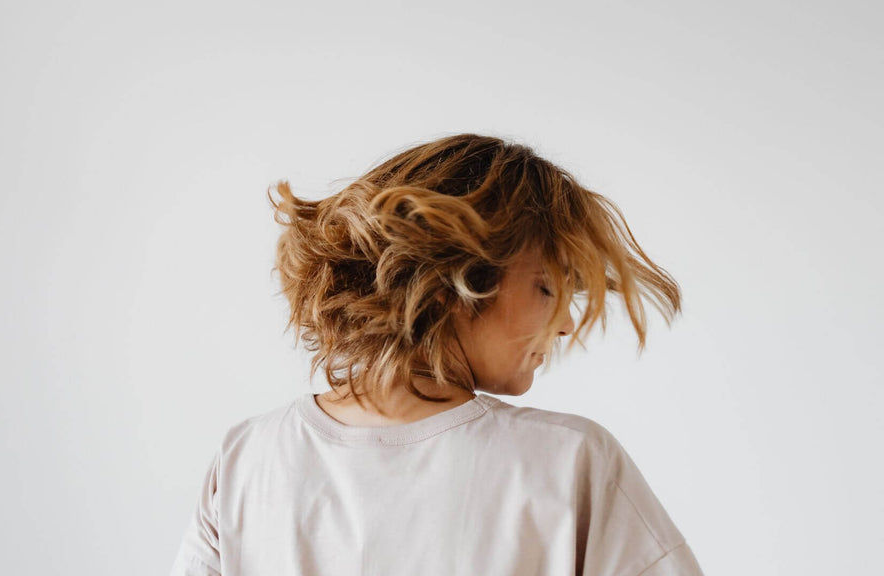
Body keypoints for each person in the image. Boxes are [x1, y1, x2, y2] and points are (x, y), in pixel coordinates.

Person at [168, 133, 705, 575]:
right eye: (547, 286)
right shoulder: (567, 461)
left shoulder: (247, 459)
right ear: (452, 283)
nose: (566, 323)